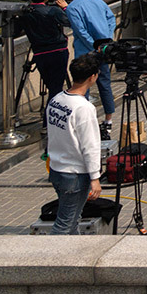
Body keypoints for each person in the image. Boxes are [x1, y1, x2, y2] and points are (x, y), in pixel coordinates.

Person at [44, 54, 104, 234]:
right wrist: (95, 178)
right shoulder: (84, 108)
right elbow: (90, 145)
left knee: (72, 219)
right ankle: (49, 259)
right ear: (92, 77)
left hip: (57, 169)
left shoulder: (56, 100)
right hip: (75, 175)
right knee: (64, 225)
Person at [20, 0, 73, 147]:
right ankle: (50, 123)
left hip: (40, 54)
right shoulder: (52, 10)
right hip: (57, 52)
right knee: (56, 89)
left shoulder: (26, 12)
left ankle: (50, 121)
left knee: (52, 87)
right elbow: (70, 22)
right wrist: (65, 8)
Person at [63, 0, 117, 132]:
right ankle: (108, 120)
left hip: (85, 53)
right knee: (105, 84)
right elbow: (111, 19)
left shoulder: (72, 7)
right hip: (104, 50)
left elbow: (80, 31)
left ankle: (85, 122)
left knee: (82, 86)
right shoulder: (98, 1)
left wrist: (94, 45)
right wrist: (106, 40)